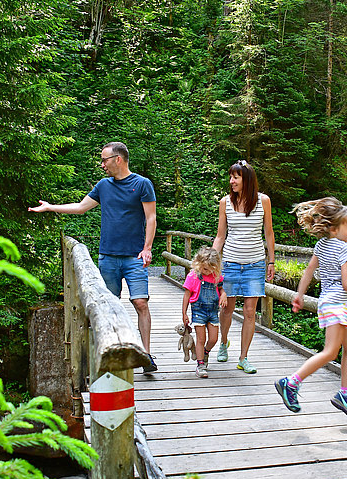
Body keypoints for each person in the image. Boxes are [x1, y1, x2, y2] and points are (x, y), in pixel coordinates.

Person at [28, 141, 159, 373]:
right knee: (108, 305)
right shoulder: (103, 186)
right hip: (108, 256)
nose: (102, 165)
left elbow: (151, 218)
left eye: (105, 160)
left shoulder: (142, 184)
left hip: (134, 256)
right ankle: (110, 354)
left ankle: (146, 355)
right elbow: (80, 207)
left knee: (141, 303)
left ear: (118, 159)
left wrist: (147, 248)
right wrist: (50, 207)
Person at [275, 197, 347, 420]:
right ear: (334, 229)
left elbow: (308, 271)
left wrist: (299, 295)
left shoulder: (322, 245)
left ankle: (344, 394)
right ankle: (290, 383)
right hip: (338, 304)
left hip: (328, 302)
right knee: (330, 352)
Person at [212, 160, 275, 374]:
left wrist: (271, 261)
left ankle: (243, 357)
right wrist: (212, 261)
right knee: (227, 308)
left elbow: (268, 233)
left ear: (246, 179)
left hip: (254, 264)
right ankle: (223, 342)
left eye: (235, 177)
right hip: (229, 263)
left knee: (250, 312)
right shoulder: (225, 202)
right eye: (230, 177)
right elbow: (221, 236)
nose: (231, 181)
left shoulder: (263, 201)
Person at [181, 247, 227, 378]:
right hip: (198, 311)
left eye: (208, 269)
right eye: (203, 268)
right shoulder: (193, 276)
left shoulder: (216, 277)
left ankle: (205, 352)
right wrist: (184, 313)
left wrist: (223, 294)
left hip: (213, 311)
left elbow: (221, 289)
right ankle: (200, 364)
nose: (205, 271)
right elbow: (186, 295)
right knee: (201, 338)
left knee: (213, 339)